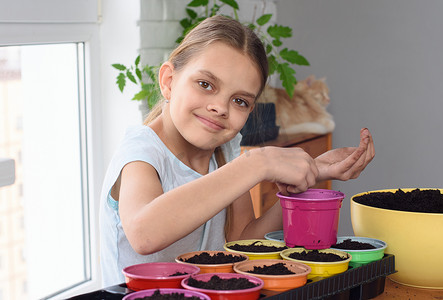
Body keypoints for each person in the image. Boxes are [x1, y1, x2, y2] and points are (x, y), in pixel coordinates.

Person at [99, 15, 375, 286]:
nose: (220, 107)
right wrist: (256, 163)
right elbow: (145, 234)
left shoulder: (224, 151)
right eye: (205, 84)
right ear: (169, 81)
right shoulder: (141, 153)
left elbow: (242, 243)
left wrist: (306, 178)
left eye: (239, 101)